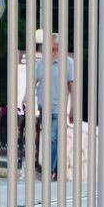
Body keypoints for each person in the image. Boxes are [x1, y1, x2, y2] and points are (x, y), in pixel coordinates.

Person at [32, 33, 75, 179]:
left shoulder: (68, 63)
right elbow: (33, 83)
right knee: (49, 139)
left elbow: (72, 86)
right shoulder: (41, 63)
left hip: (59, 109)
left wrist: (72, 108)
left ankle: (49, 170)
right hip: (44, 107)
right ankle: (55, 169)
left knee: (54, 138)